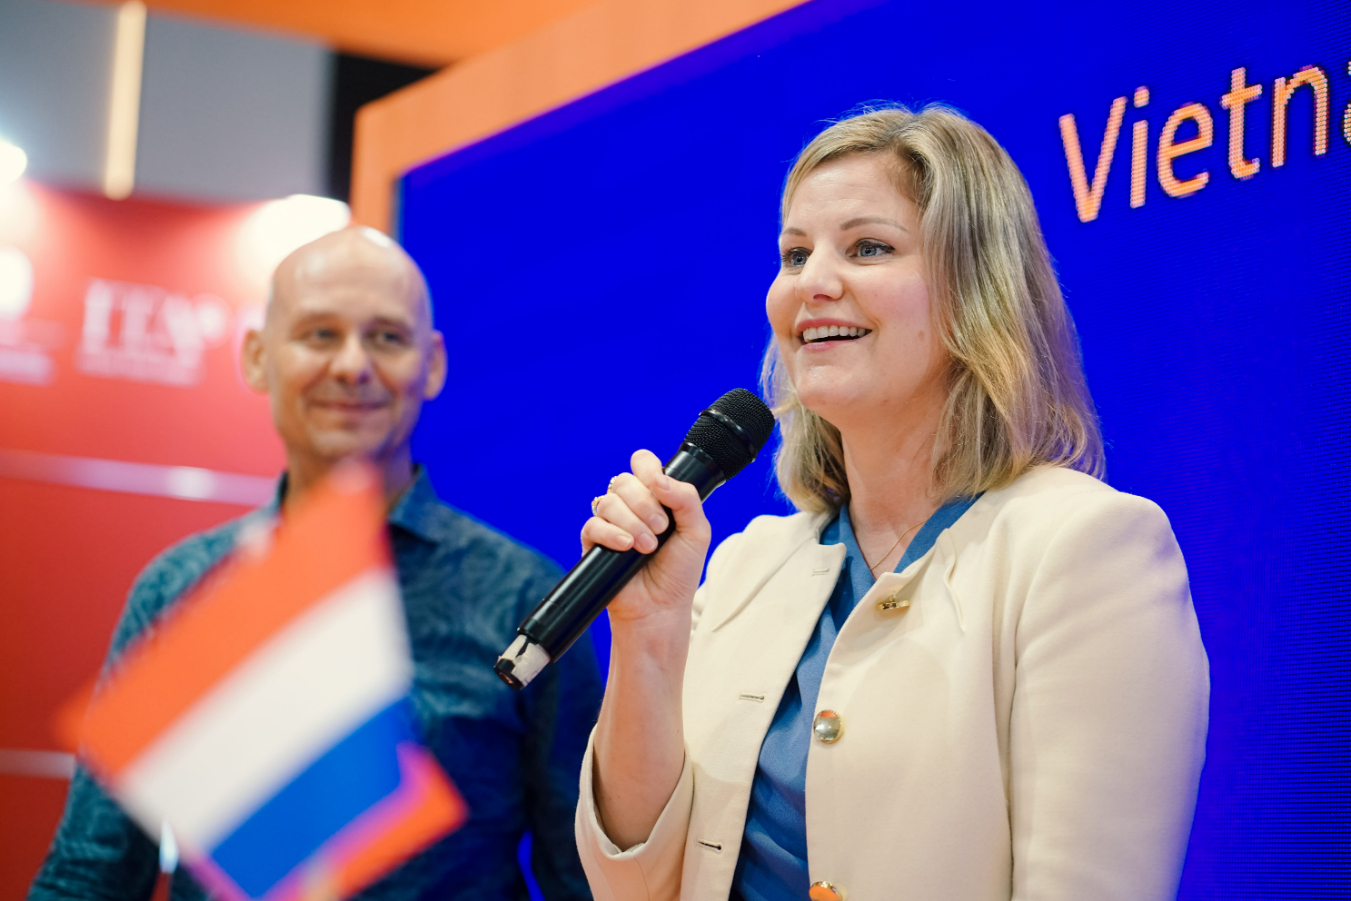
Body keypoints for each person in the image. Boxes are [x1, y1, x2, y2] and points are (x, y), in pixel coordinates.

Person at [574, 106, 1209, 901]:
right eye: (794, 254)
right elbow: (632, 886)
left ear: (975, 287)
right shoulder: (744, 565)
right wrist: (648, 637)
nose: (811, 283)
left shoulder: (1086, 547)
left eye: (867, 247)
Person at [29, 227, 601, 901]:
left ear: (432, 363)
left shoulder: (526, 597)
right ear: (257, 356)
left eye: (386, 337)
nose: (353, 365)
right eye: (320, 334)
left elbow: (584, 876)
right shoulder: (180, 590)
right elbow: (92, 871)